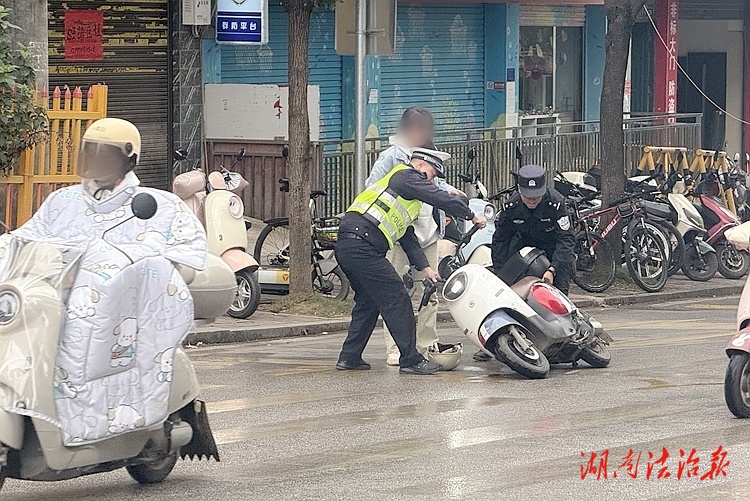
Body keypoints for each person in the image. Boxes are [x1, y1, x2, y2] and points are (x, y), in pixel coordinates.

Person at [10, 117, 207, 444]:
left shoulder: (157, 205)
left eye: (107, 154)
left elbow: (186, 252)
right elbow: (26, 238)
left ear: (129, 160)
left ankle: (103, 423)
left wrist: (135, 261)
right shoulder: (63, 201)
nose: (96, 160)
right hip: (52, 300)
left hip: (118, 311)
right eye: (91, 152)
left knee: (84, 336)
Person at [335, 146, 487, 375]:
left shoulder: (405, 197)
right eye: (432, 174)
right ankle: (411, 360)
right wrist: (471, 214)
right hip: (362, 245)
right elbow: (439, 197)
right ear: (420, 165)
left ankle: (350, 357)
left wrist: (425, 267)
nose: (432, 181)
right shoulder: (405, 175)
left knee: (368, 302)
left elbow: (407, 237)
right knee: (397, 297)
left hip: (351, 245)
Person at [366, 107, 463, 366]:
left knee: (429, 292)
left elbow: (436, 185)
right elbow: (372, 187)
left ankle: (426, 344)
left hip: (428, 233)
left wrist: (451, 192)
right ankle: (396, 349)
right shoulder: (391, 157)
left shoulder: (429, 153)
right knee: (396, 293)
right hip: (399, 235)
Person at [474, 165, 574, 363]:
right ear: (519, 191)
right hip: (525, 254)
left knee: (557, 300)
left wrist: (553, 268)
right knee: (512, 298)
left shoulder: (556, 203)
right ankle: (501, 342)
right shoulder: (512, 207)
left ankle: (566, 341)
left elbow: (567, 240)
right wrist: (501, 271)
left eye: (536, 197)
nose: (532, 201)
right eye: (528, 197)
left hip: (556, 253)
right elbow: (500, 239)